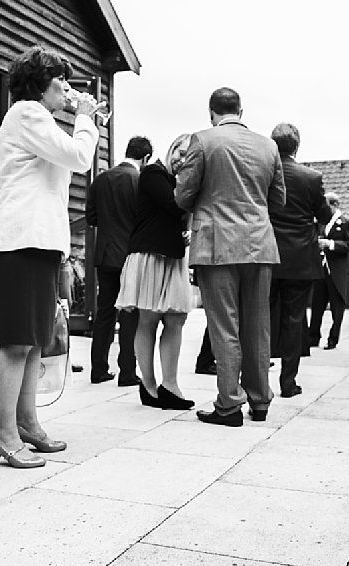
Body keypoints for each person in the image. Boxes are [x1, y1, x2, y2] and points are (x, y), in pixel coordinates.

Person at [0, 46, 105, 467]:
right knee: (17, 339)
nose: (68, 89)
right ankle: (3, 434)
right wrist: (86, 118)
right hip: (21, 241)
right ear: (39, 84)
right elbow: (80, 156)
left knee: (34, 339)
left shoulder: (39, 120)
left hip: (38, 241)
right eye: (61, 81)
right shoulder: (26, 113)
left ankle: (27, 423)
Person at [175, 87, 286, 427]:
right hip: (259, 243)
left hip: (217, 244)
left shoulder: (202, 140)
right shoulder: (268, 146)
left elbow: (183, 195)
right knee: (258, 326)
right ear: (241, 110)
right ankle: (260, 399)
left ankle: (229, 404)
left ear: (212, 112)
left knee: (224, 325)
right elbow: (278, 200)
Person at [116, 134, 195, 410]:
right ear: (171, 148)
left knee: (176, 319)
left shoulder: (176, 180)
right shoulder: (153, 173)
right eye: (180, 152)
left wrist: (185, 233)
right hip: (150, 254)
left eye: (189, 156)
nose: (182, 159)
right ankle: (149, 385)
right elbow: (174, 205)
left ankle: (170, 385)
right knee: (148, 320)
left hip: (172, 256)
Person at [266, 123, 332, 397]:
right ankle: (288, 382)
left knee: (262, 317)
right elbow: (325, 214)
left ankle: (257, 380)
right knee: (294, 319)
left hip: (267, 253)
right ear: (297, 146)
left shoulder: (264, 174)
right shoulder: (311, 177)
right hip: (300, 257)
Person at [87, 137, 152, 386]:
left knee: (104, 312)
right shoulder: (140, 181)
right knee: (129, 314)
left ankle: (98, 370)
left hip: (105, 254)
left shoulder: (101, 179)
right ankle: (127, 372)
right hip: (130, 255)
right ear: (145, 158)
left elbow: (91, 217)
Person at [308, 193, 349, 350]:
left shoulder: (345, 223)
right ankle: (313, 336)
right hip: (320, 268)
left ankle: (333, 338)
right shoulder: (321, 222)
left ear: (334, 205)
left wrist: (331, 244)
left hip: (336, 269)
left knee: (337, 305)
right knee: (317, 304)